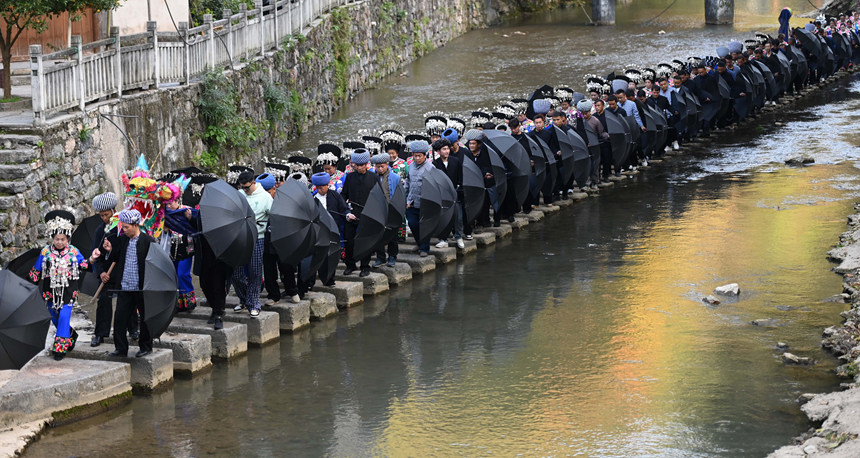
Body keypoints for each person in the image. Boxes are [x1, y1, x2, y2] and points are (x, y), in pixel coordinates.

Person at [93, 209, 157, 358]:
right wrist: (109, 250)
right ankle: (121, 349)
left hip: (142, 288)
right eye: (124, 226)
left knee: (146, 319)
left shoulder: (148, 241)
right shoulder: (123, 240)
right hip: (125, 286)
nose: (124, 230)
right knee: (120, 319)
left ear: (136, 225)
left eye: (127, 227)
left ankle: (146, 347)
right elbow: (115, 258)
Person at [30, 210, 87, 360]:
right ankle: (71, 334)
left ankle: (60, 348)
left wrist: (92, 259)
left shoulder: (74, 252)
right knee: (53, 316)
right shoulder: (45, 252)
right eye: (57, 239)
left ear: (68, 238)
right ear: (52, 238)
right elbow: (36, 271)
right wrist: (29, 285)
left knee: (63, 317)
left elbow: (84, 265)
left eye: (63, 239)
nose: (60, 242)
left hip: (68, 291)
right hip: (50, 291)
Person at [231, 171, 273, 317]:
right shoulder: (239, 194)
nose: (245, 190)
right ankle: (244, 299)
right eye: (242, 188)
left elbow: (273, 217)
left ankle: (254, 303)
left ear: (254, 182)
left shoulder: (265, 197)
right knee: (236, 272)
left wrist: (266, 225)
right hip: (240, 238)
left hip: (258, 237)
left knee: (255, 272)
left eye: (247, 187)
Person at [89, 192, 121, 347]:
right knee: (103, 303)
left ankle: (133, 329)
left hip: (120, 270)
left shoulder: (123, 227)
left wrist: (112, 249)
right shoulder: (99, 231)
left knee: (127, 301)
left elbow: (125, 250)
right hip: (105, 273)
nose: (104, 218)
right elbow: (96, 255)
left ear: (113, 211)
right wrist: (101, 272)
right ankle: (100, 334)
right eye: (101, 216)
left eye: (106, 215)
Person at [341, 148, 378, 276]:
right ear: (354, 165)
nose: (361, 167)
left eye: (363, 165)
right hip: (352, 213)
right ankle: (350, 265)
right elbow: (343, 195)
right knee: (349, 240)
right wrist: (346, 211)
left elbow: (379, 197)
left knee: (365, 241)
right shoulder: (350, 177)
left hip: (367, 214)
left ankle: (365, 266)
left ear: (367, 164)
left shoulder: (374, 177)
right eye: (358, 165)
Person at [163, 181, 198, 313]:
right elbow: (161, 233)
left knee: (183, 274)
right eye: (167, 203)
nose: (169, 205)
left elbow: (195, 227)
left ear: (178, 200)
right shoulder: (165, 215)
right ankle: (179, 303)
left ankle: (190, 302)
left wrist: (190, 219)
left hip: (186, 249)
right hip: (171, 250)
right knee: (174, 276)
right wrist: (165, 230)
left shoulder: (187, 211)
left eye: (171, 202)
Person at [431, 138, 465, 249]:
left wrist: (458, 187)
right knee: (443, 217)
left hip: (456, 192)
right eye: (444, 149)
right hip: (442, 195)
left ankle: (458, 236)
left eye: (447, 149)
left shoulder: (455, 161)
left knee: (458, 217)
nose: (447, 151)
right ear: (438, 151)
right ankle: (443, 238)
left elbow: (461, 177)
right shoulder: (435, 164)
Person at [404, 140, 435, 256]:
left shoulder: (431, 167)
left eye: (419, 156)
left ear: (424, 155)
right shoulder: (411, 166)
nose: (417, 158)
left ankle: (424, 249)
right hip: (411, 201)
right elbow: (407, 182)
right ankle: (419, 242)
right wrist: (406, 199)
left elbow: (434, 186)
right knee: (412, 224)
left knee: (424, 227)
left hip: (425, 202)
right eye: (415, 156)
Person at [371, 154, 402, 267]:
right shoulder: (372, 177)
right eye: (378, 167)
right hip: (377, 209)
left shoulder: (395, 178)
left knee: (392, 235)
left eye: (382, 166)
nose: (380, 169)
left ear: (387, 165)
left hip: (391, 209)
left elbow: (400, 194)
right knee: (378, 234)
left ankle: (392, 256)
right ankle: (380, 257)